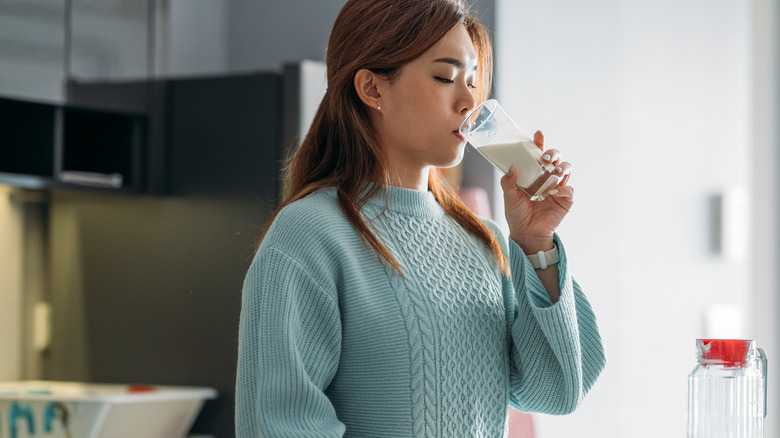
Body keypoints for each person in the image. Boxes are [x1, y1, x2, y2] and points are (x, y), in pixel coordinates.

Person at [235, 0, 606, 436]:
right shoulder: (309, 235)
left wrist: (535, 242)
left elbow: (557, 392)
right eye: (445, 77)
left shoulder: (486, 241)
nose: (469, 100)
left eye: (473, 80)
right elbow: (280, 424)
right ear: (372, 89)